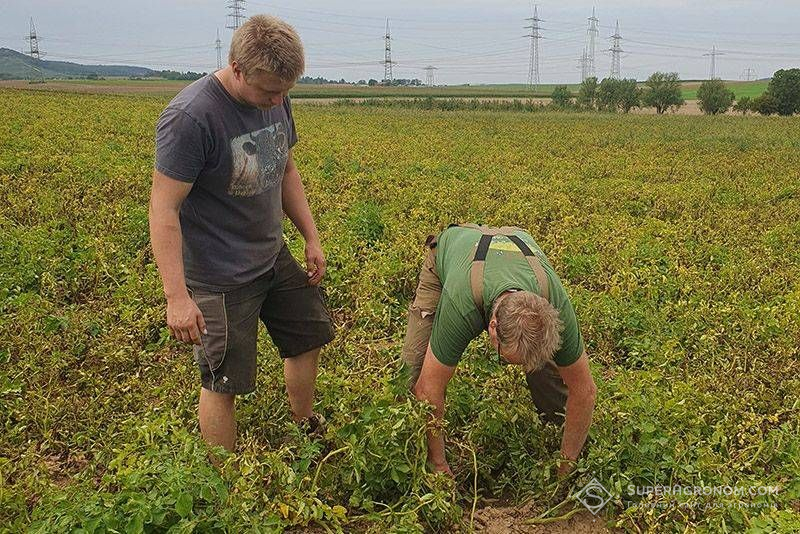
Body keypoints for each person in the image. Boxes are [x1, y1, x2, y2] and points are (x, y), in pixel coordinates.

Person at [148, 15, 334, 453]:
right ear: (236, 67)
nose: (276, 101)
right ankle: (226, 485)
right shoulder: (190, 119)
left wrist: (310, 235)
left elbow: (285, 167)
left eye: (284, 91)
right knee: (223, 379)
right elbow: (163, 210)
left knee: (309, 338)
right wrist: (176, 296)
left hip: (272, 254)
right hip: (219, 276)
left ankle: (304, 424)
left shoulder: (276, 97)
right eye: (267, 90)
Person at [402, 224, 596, 477]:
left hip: (512, 244)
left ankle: (556, 431)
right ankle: (414, 453)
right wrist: (439, 465)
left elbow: (585, 391)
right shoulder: (461, 305)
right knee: (412, 373)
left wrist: (565, 467)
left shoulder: (557, 308)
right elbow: (429, 390)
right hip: (451, 258)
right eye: (508, 358)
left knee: (545, 370)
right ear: (492, 328)